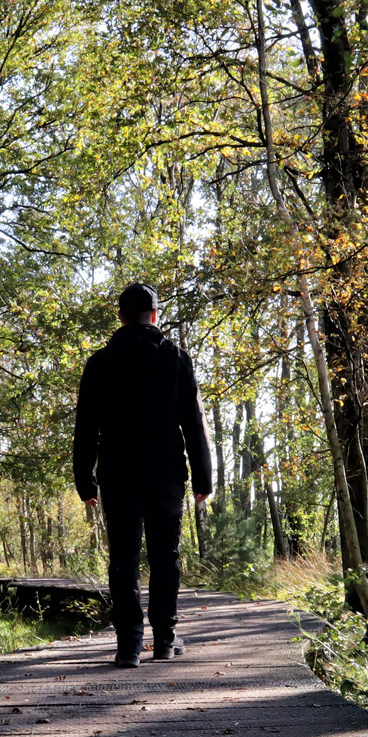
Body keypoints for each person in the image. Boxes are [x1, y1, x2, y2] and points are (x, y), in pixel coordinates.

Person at [72, 283, 212, 666]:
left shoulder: (100, 364)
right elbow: (194, 423)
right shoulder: (176, 359)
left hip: (118, 474)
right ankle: (165, 641)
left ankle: (129, 645)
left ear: (120, 316)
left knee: (123, 558)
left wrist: (85, 480)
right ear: (155, 315)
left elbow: (85, 428)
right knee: (165, 556)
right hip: (165, 473)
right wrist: (203, 479)